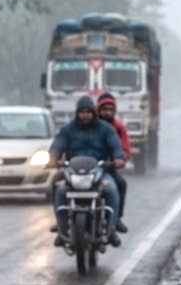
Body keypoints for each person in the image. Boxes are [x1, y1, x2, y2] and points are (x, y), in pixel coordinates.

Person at [49, 94, 125, 248]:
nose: (85, 115)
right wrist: (53, 157)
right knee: (58, 187)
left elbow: (116, 147)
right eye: (82, 112)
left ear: (94, 113)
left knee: (111, 189)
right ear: (77, 113)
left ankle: (111, 229)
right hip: (72, 173)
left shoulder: (106, 129)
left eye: (88, 112)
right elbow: (57, 145)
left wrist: (118, 158)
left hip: (100, 172)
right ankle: (62, 228)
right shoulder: (67, 129)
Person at [95, 92, 131, 233]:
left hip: (107, 167)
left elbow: (124, 148)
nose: (107, 113)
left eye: (110, 110)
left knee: (121, 184)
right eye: (104, 109)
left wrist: (120, 160)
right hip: (86, 168)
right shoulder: (90, 126)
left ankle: (116, 218)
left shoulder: (118, 128)